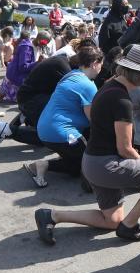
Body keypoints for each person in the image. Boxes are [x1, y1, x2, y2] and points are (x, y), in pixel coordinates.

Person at [33, 45, 140, 245]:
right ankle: (130, 225)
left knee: (112, 221)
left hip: (92, 162)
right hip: (106, 165)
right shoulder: (123, 101)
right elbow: (125, 149)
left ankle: (52, 215)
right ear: (139, 73)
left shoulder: (109, 85)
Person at [22, 46, 104, 187]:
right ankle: (45, 165)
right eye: (101, 65)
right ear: (94, 63)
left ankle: (43, 165)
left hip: (44, 130)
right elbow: (93, 119)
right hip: (62, 133)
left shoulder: (71, 76)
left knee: (75, 166)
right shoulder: (88, 85)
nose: (101, 68)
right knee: (89, 163)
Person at [0, 50, 76, 152]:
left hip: (31, 98)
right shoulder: (64, 68)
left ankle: (25, 118)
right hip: (31, 100)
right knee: (51, 136)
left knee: (50, 137)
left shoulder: (63, 61)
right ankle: (6, 130)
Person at [0, 30, 37, 104]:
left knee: (6, 87)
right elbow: (23, 66)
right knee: (19, 99)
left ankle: (0, 95)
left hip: (12, 72)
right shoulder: (26, 46)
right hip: (17, 75)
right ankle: (1, 95)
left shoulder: (21, 43)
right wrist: (37, 63)